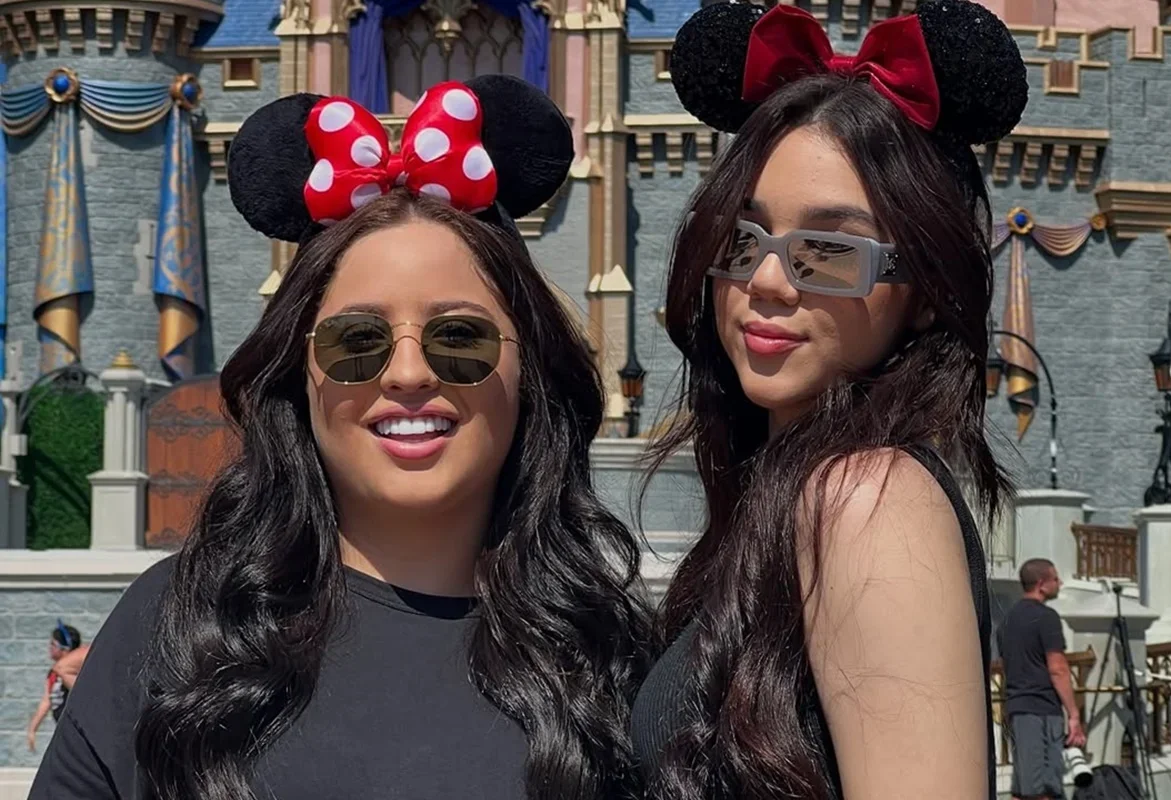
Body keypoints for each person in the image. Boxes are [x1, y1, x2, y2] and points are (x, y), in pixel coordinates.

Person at [30, 75, 653, 800]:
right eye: (357, 340)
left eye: (460, 337)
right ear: (299, 373)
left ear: (530, 369)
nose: (409, 373)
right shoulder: (175, 629)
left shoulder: (618, 663)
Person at [629, 2, 1029, 799]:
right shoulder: (784, 496)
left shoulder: (866, 500)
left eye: (829, 251)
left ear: (925, 293)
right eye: (741, 240)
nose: (766, 281)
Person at [997, 558, 1088, 800]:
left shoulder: (1007, 619)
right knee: (1044, 789)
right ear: (1041, 584)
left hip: (1016, 707)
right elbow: (1058, 668)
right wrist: (1074, 715)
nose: (1060, 583)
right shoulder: (1046, 617)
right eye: (1055, 579)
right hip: (1041, 710)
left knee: (1023, 788)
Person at [26, 621, 89, 751]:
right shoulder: (53, 673)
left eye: (53, 644)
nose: (49, 647)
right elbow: (46, 700)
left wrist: (64, 673)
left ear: (64, 648)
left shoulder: (78, 671)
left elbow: (83, 695)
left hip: (78, 730)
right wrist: (32, 729)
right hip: (63, 729)